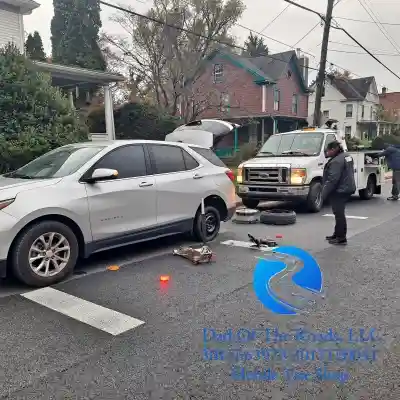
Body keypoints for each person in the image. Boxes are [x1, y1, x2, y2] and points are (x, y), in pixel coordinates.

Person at [322, 140, 356, 245]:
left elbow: (332, 179)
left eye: (328, 151)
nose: (326, 153)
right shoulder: (347, 156)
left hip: (340, 190)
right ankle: (337, 234)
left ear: (333, 150)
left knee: (339, 214)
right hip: (347, 187)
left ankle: (341, 237)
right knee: (339, 213)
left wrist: (323, 194)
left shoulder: (336, 161)